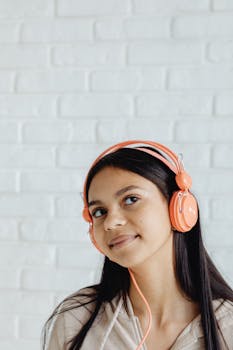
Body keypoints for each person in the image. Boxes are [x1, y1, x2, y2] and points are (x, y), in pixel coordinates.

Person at [42, 140, 233, 350]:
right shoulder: (75, 320)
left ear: (178, 207)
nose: (111, 222)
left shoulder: (228, 326)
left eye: (131, 199)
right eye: (99, 212)